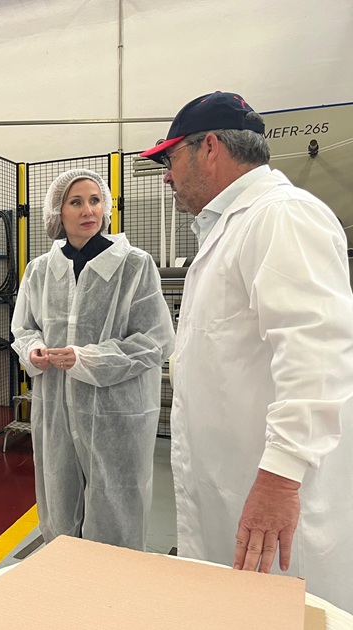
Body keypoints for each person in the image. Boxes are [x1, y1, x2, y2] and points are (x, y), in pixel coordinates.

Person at [140, 91, 353, 612]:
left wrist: (281, 477)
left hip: (273, 490)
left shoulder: (282, 217)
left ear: (209, 147)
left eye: (170, 159)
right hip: (235, 479)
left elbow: (317, 354)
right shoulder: (233, 227)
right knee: (238, 608)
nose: (167, 177)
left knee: (285, 612)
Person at [11, 169, 174, 551]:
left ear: (106, 207)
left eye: (95, 200)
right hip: (55, 412)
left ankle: (113, 585)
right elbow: (25, 328)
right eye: (76, 202)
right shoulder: (40, 270)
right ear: (58, 211)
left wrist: (88, 359)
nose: (88, 210)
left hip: (116, 416)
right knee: (59, 508)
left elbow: (156, 340)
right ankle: (67, 580)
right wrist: (33, 350)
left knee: (116, 512)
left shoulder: (133, 265)